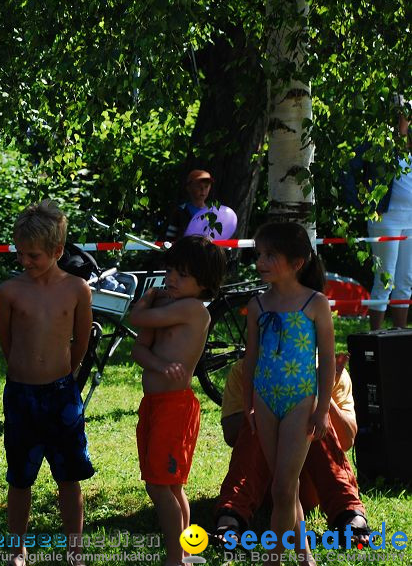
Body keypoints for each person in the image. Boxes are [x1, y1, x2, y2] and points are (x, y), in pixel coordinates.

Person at [0, 200, 95, 566]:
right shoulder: (9, 291)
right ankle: (17, 548)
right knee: (20, 477)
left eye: (33, 256)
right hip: (21, 395)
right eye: (20, 254)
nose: (25, 262)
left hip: (61, 395)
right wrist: (24, 371)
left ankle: (74, 549)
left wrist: (66, 373)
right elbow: (7, 342)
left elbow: (81, 341)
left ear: (57, 251)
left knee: (69, 476)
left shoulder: (77, 289)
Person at [128, 235, 226, 566]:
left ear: (203, 284)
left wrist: (148, 297)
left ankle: (174, 559)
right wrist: (159, 364)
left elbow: (135, 319)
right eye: (170, 270)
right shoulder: (166, 307)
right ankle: (184, 553)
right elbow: (138, 348)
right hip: (154, 404)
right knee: (171, 487)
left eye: (182, 275)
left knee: (159, 486)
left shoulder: (192, 309)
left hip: (176, 406)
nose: (171, 278)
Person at [242, 221, 336, 566]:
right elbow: (250, 358)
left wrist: (322, 408)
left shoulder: (315, 303)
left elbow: (326, 359)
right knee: (286, 485)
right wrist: (250, 403)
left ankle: (273, 558)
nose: (261, 262)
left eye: (270, 256)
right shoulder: (257, 305)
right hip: (265, 400)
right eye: (259, 255)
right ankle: (303, 554)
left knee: (282, 487)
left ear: (297, 263)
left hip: (300, 401)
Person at [212, 357, 369, 545]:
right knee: (261, 412)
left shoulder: (330, 369)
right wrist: (265, 400)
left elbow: (347, 439)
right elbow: (230, 434)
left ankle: (348, 513)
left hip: (311, 484)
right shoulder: (246, 368)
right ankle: (232, 515)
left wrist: (319, 393)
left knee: (310, 407)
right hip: (265, 483)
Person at [353, 97, 412, 330]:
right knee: (385, 279)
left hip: (411, 221)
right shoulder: (382, 145)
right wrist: (358, 199)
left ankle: (400, 334)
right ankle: (375, 336)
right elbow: (351, 164)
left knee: (405, 281)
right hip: (385, 218)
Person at [163, 169, 214, 242]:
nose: (203, 190)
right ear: (189, 188)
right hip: (183, 252)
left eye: (206, 186)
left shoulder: (212, 213)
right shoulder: (180, 211)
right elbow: (169, 238)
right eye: (198, 186)